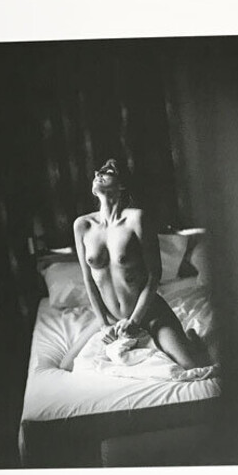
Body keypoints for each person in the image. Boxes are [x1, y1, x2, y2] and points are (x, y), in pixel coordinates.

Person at [72, 158, 209, 369]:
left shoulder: (137, 219)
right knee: (66, 365)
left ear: (122, 185)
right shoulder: (82, 225)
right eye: (98, 171)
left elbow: (154, 275)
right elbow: (88, 279)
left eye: (107, 172)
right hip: (110, 318)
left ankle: (192, 340)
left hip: (147, 313)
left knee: (192, 365)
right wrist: (104, 324)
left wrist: (134, 321)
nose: (98, 174)